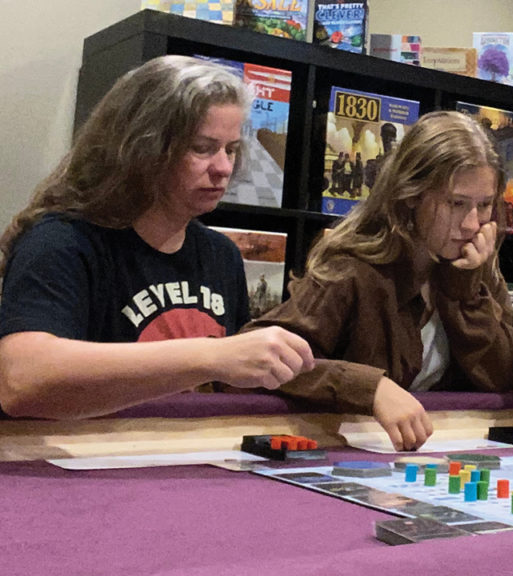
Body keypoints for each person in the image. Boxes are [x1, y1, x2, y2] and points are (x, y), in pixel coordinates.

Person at [0, 55, 315, 419]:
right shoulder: (62, 241)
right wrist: (213, 355)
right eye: (202, 148)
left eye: (230, 149)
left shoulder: (220, 253)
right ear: (142, 149)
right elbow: (21, 379)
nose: (223, 168)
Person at [246, 110, 513, 452]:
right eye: (456, 203)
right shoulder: (352, 268)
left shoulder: (477, 264)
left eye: (485, 205)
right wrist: (371, 388)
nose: (472, 224)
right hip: (341, 453)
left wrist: (465, 289)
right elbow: (261, 352)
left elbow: (503, 377)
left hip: (428, 456)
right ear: (411, 195)